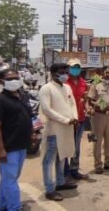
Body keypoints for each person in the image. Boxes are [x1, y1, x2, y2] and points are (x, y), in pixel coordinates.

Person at [0, 69, 32, 210]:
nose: (14, 81)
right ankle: (14, 208)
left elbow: (27, 117)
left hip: (21, 146)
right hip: (8, 148)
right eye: (9, 79)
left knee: (9, 179)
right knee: (10, 181)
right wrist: (0, 149)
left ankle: (2, 206)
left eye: (16, 78)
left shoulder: (22, 96)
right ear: (2, 82)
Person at [39, 63, 78, 201]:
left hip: (67, 128)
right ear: (53, 73)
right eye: (62, 72)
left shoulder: (67, 87)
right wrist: (65, 120)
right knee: (49, 160)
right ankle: (49, 189)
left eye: (66, 72)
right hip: (54, 130)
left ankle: (60, 183)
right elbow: (46, 109)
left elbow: (73, 103)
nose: (65, 75)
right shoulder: (46, 88)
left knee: (62, 157)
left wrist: (74, 117)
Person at [87, 66, 109, 174]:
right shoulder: (96, 84)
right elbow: (91, 100)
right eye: (106, 72)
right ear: (102, 73)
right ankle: (98, 165)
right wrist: (103, 106)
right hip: (98, 115)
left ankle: (108, 162)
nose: (108, 74)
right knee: (97, 140)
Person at [64, 58, 89, 180]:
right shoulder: (64, 83)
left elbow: (85, 100)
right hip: (67, 121)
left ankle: (74, 170)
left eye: (78, 67)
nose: (75, 70)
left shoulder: (84, 83)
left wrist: (88, 108)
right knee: (65, 147)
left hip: (80, 119)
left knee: (76, 147)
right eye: (73, 67)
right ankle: (64, 172)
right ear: (68, 68)